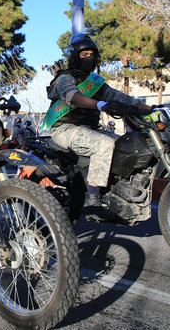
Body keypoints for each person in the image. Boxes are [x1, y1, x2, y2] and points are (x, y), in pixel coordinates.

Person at [43, 33, 151, 211]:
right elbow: (74, 97)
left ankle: (117, 187)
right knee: (104, 144)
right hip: (64, 129)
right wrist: (101, 105)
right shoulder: (65, 78)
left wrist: (151, 108)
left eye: (92, 55)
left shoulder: (96, 83)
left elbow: (124, 98)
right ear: (75, 56)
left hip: (89, 129)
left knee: (126, 144)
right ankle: (92, 198)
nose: (89, 58)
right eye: (84, 54)